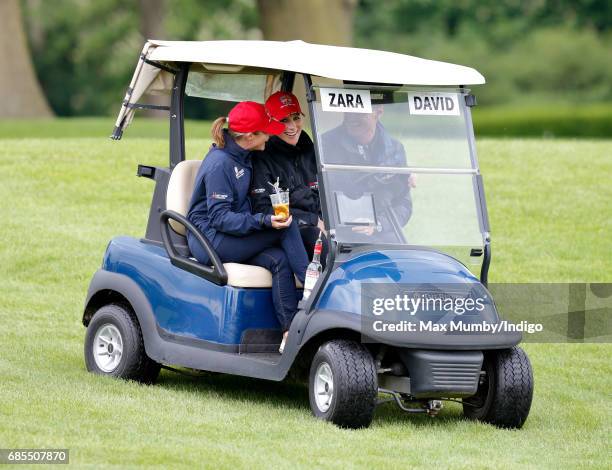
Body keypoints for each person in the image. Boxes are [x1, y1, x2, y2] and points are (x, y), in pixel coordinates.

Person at [186, 101, 309, 352]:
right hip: (210, 240)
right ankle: (315, 292)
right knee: (285, 226)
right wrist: (263, 221)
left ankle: (289, 332)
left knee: (279, 260)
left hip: (228, 234)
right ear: (250, 136)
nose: (271, 134)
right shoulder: (220, 164)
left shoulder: (243, 154)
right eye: (266, 130)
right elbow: (220, 218)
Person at [250, 91, 328, 267]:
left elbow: (325, 190)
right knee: (323, 244)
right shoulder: (262, 154)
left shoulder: (307, 146)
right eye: (284, 120)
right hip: (288, 229)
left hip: (320, 222)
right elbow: (262, 209)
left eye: (296, 117)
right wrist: (312, 219)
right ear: (270, 123)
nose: (293, 126)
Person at [320, 105, 414, 242]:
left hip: (381, 228)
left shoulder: (394, 148)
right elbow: (322, 195)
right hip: (341, 231)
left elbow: (404, 204)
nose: (352, 117)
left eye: (360, 112)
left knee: (402, 255)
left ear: (379, 112)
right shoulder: (326, 144)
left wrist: (379, 224)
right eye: (349, 110)